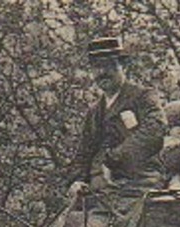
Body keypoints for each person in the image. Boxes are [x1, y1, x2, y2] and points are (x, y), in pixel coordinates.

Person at [71, 35, 166, 194]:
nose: (102, 72)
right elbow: (84, 151)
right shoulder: (94, 112)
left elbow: (154, 132)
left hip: (138, 183)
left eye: (108, 65)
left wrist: (113, 160)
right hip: (99, 189)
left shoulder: (143, 97)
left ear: (123, 65)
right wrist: (77, 179)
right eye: (96, 67)